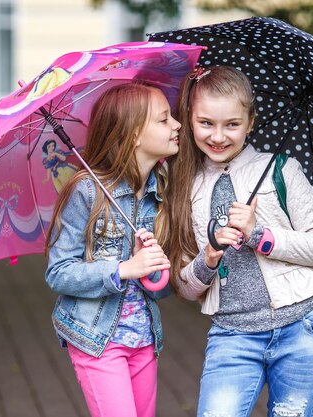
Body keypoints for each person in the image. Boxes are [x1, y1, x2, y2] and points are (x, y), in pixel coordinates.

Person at [167, 66, 313, 417]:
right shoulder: (184, 186)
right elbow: (185, 287)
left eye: (232, 124)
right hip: (233, 336)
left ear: (251, 121)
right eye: (206, 123)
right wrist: (209, 257)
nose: (218, 136)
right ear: (188, 119)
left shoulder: (281, 169)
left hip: (302, 327)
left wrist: (259, 235)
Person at [45, 82, 180, 417]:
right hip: (97, 339)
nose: (177, 125)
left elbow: (160, 291)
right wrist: (123, 269)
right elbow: (58, 273)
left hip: (144, 338)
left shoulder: (160, 193)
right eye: (164, 120)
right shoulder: (87, 192)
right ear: (133, 133)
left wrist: (155, 268)